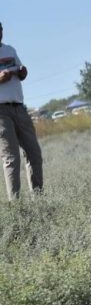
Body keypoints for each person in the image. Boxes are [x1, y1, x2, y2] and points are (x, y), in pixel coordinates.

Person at [0, 22, 43, 200]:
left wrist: (22, 72)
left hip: (19, 107)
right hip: (1, 113)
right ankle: (16, 208)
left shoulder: (10, 50)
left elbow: (21, 72)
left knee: (34, 154)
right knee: (12, 158)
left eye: (0, 29)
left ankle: (39, 201)